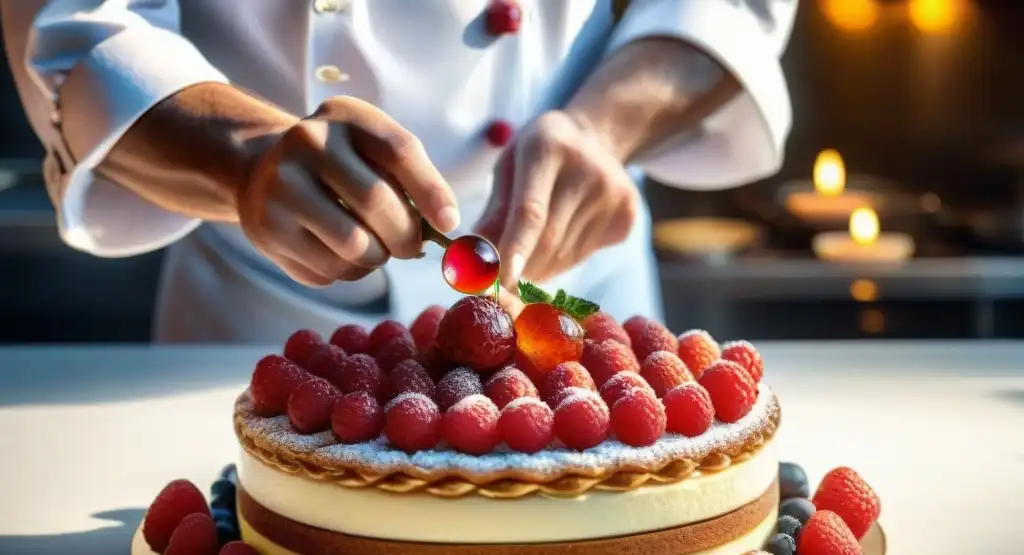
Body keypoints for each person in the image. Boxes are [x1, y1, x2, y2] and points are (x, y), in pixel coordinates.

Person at [2, 0, 796, 342]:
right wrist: (245, 159)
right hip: (260, 317)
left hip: (574, 288)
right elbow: (76, 25)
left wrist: (606, 125)